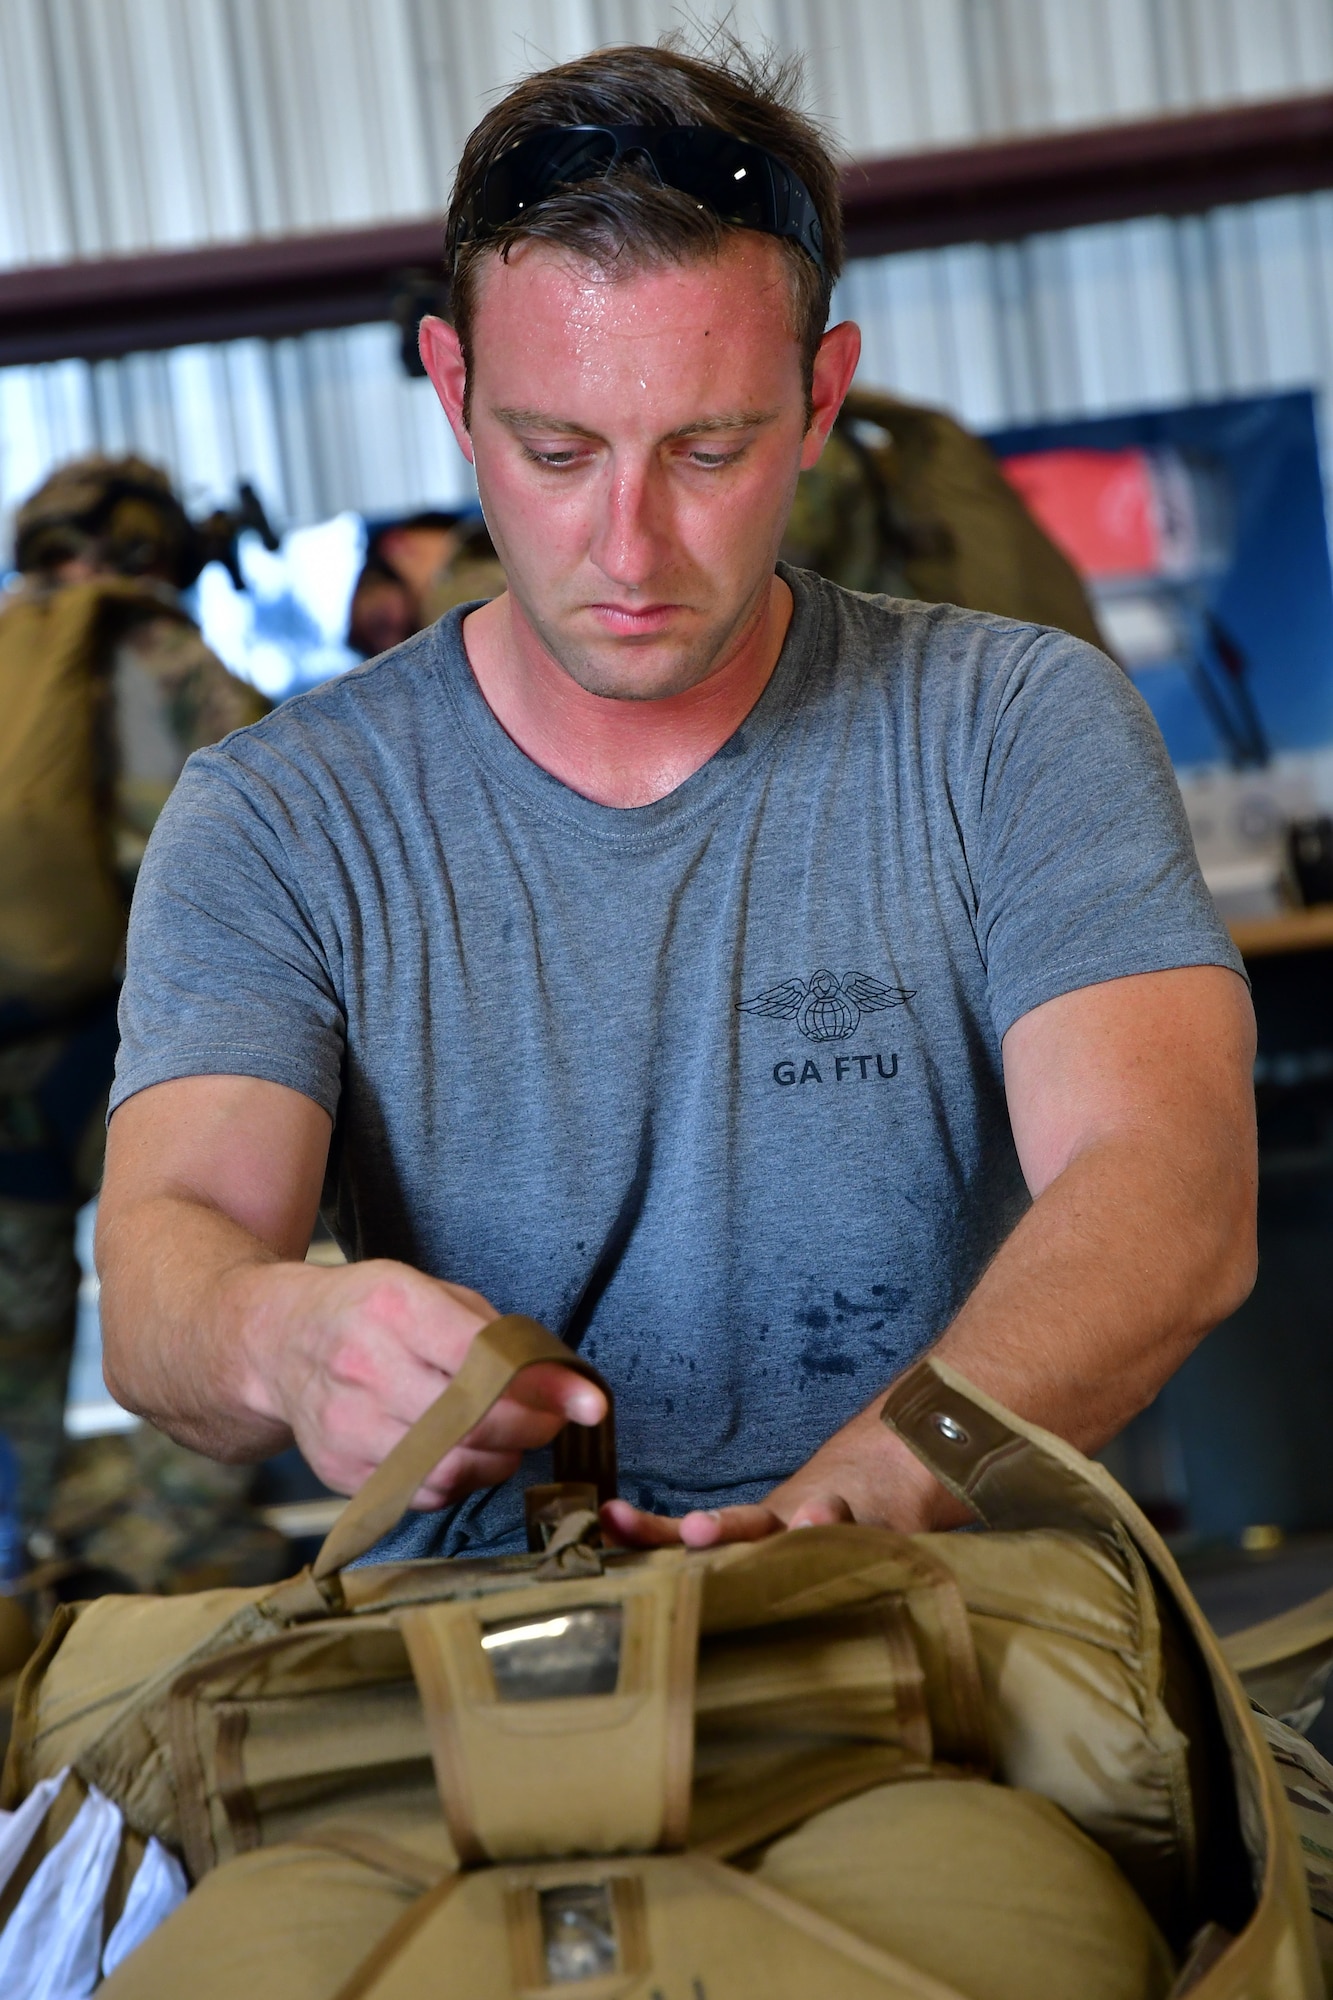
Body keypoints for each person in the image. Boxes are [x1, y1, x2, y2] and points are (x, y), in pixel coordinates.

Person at [96, 40, 1256, 1563]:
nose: (628, 550)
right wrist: (285, 1338)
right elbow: (166, 1260)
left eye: (709, 450)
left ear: (820, 394)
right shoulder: (282, 817)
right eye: (556, 451)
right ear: (452, 388)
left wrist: (888, 1476)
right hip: (477, 1654)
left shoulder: (1011, 730)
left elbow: (1168, 1194)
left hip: (926, 1615)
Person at [0, 455, 267, 1539]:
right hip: (139, 1045)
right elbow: (258, 813)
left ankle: (20, 1556)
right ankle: (180, 1544)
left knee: (17, 1319)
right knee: (189, 1274)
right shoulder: (161, 651)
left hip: (10, 1042)